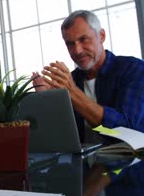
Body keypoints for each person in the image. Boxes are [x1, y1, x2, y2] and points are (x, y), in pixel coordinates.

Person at [32, 10, 144, 143]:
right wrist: (48, 101)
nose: (77, 50)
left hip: (126, 162)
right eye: (70, 44)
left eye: (83, 39)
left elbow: (127, 133)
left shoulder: (133, 69)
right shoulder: (70, 80)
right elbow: (60, 137)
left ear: (101, 36)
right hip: (82, 163)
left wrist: (72, 92)